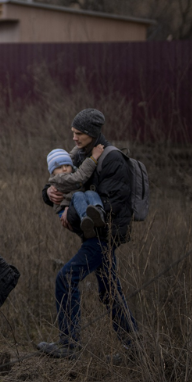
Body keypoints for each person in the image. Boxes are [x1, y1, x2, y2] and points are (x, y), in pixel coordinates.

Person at [38, 108, 139, 362]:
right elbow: (61, 177)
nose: (73, 137)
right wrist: (49, 193)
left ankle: (69, 344)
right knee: (110, 291)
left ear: (92, 134)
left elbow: (115, 206)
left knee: (66, 278)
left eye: (78, 133)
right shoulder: (82, 154)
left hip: (104, 236)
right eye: (73, 132)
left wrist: (71, 215)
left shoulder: (112, 159)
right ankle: (135, 348)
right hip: (92, 234)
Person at [46, 146, 105, 238]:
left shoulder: (66, 171)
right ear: (52, 171)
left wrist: (79, 145)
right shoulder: (60, 178)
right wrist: (93, 158)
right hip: (64, 208)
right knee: (78, 194)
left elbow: (70, 156)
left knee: (90, 193)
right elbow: (79, 177)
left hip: (74, 203)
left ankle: (98, 212)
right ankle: (86, 220)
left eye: (67, 165)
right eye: (60, 167)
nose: (64, 169)